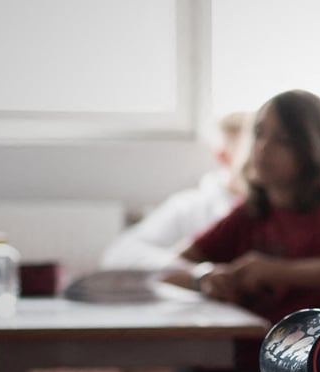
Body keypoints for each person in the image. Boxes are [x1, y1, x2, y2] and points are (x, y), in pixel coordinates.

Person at [165, 90, 320, 372]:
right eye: (259, 134)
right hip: (233, 360)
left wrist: (279, 272)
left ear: (312, 149)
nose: (263, 148)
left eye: (283, 140)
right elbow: (169, 269)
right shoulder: (251, 212)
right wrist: (204, 277)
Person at [102, 112, 252, 270]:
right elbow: (118, 254)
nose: (263, 155)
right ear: (223, 156)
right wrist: (192, 272)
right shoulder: (189, 207)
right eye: (252, 147)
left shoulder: (267, 210)